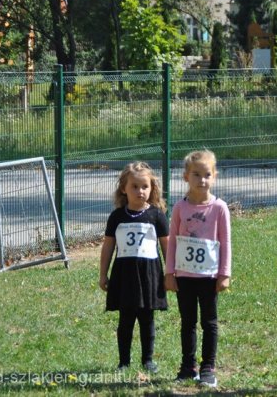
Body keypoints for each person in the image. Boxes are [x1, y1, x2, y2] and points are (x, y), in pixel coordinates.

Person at [165, 150, 231, 388]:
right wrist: (169, 272)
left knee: (210, 322)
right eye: (196, 175)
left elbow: (226, 242)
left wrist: (225, 273)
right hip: (184, 275)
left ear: (214, 176)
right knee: (187, 322)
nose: (202, 180)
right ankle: (187, 366)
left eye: (207, 175)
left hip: (209, 276)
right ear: (185, 177)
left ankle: (208, 368)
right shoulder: (179, 208)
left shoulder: (219, 208)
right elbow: (172, 241)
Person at [99, 162, 168, 372]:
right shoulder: (117, 217)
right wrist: (103, 274)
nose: (141, 191)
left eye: (145, 187)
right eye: (135, 187)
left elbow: (167, 246)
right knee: (126, 320)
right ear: (124, 189)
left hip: (149, 275)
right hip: (124, 275)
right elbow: (108, 246)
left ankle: (148, 360)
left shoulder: (157, 215)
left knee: (147, 319)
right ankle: (124, 362)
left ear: (152, 188)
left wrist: (171, 273)